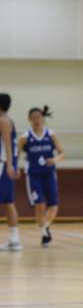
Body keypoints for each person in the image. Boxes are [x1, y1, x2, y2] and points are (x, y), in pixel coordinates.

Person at [18, 105, 64, 246]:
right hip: (33, 175)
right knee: (40, 205)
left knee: (53, 207)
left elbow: (62, 152)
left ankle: (45, 227)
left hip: (49, 174)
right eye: (33, 118)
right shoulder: (25, 137)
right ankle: (45, 234)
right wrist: (15, 167)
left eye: (38, 117)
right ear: (29, 119)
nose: (36, 120)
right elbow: (16, 154)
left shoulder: (51, 134)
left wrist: (54, 160)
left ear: (43, 118)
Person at [0, 93, 22, 252]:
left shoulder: (3, 121)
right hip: (6, 164)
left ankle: (15, 239)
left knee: (8, 202)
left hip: (2, 165)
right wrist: (14, 164)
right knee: (8, 202)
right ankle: (14, 240)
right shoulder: (7, 120)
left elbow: (8, 145)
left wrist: (10, 165)